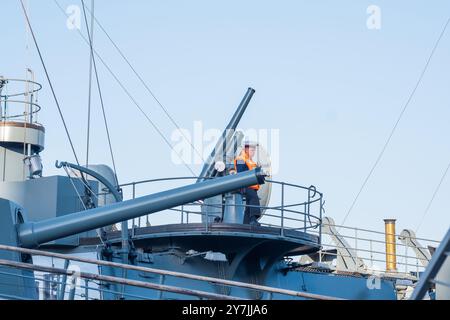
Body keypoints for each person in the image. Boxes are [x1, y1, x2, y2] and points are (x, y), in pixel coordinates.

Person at [234, 142, 261, 225]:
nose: (253, 152)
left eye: (254, 150)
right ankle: (253, 219)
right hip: (246, 185)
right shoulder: (241, 159)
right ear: (246, 149)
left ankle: (246, 223)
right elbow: (240, 173)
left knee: (249, 205)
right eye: (252, 150)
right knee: (254, 198)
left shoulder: (250, 161)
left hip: (252, 186)